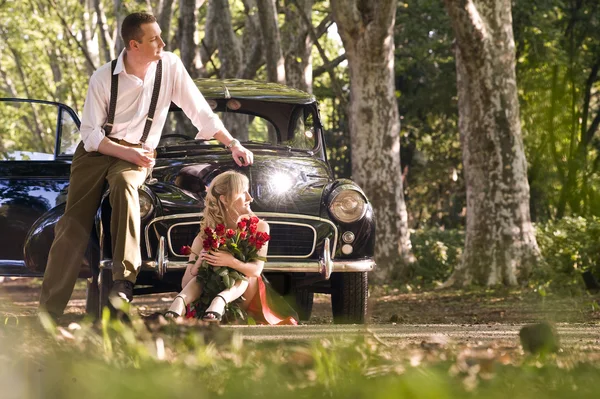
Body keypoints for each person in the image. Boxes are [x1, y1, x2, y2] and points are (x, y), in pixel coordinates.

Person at [38, 12, 253, 322]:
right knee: (73, 223)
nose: (162, 43)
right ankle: (49, 312)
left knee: (126, 187)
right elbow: (91, 134)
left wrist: (232, 143)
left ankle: (123, 281)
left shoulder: (170, 67)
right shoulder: (102, 77)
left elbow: (201, 113)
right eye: (154, 39)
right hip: (97, 151)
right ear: (134, 44)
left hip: (138, 151)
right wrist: (123, 154)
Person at [165, 171, 297, 325]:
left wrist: (230, 261)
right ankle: (179, 302)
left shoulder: (260, 227)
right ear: (225, 199)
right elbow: (185, 282)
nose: (250, 197)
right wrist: (200, 262)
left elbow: (256, 270)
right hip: (206, 300)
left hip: (244, 298)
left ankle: (220, 301)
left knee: (246, 273)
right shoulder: (205, 235)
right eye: (243, 192)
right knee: (207, 270)